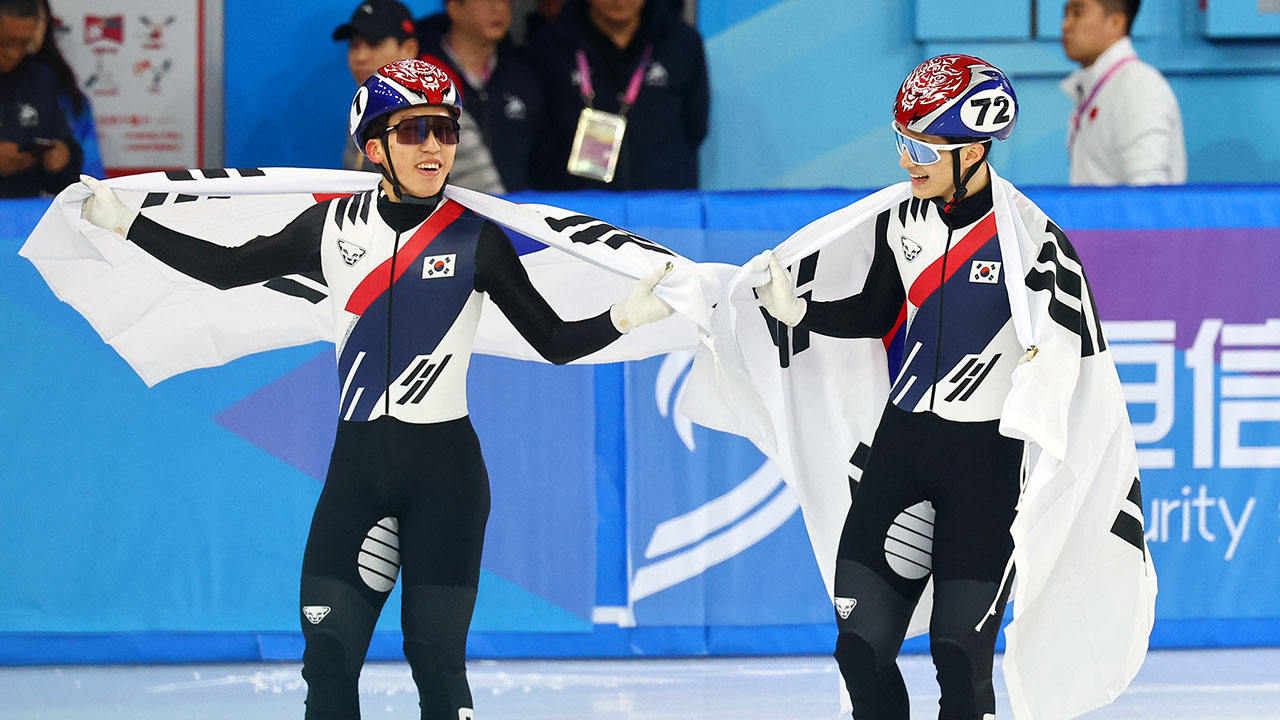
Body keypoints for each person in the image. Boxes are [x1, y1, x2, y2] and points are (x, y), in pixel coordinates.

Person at [79, 58, 675, 720]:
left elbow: (554, 343)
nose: (433, 147)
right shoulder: (330, 228)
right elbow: (226, 269)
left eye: (445, 132)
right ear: (373, 146)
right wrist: (126, 224)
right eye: (415, 130)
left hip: (446, 479)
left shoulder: (477, 239)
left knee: (435, 662)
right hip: (357, 474)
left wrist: (625, 318)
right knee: (328, 661)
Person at [754, 55, 1099, 719]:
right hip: (902, 450)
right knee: (859, 647)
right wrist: (801, 312)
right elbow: (875, 311)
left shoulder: (1029, 239)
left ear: (973, 150)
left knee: (960, 660)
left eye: (920, 147)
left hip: (986, 465)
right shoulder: (900, 219)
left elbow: (1075, 355)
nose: (906, 161)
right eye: (900, 142)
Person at [525, 0, 708, 190]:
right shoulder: (547, 47)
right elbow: (536, 138)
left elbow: (696, 127)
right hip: (574, 203)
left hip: (662, 203)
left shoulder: (682, 42)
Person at [335, 0, 504, 193]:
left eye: (374, 44)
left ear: (409, 50)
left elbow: (490, 204)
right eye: (355, 46)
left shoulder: (443, 117)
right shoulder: (361, 115)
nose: (361, 56)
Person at [416, 0, 544, 192]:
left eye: (507, 2)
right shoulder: (422, 76)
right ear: (454, 9)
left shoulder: (524, 77)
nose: (499, 9)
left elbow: (542, 159)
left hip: (515, 214)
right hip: (444, 213)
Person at [1060, 0, 1186, 185]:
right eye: (1066, 14)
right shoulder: (1094, 87)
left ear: (1116, 23)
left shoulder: (1139, 86)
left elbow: (1150, 191)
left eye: (1077, 14)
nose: (1065, 25)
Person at [0, 0, 80, 198]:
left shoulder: (40, 78)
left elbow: (64, 145)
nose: (14, 53)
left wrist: (63, 157)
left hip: (26, 213)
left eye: (24, 44)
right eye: (7, 43)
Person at [29, 0, 104, 178]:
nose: (25, 22)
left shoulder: (63, 90)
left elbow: (91, 175)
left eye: (34, 14)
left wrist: (65, 156)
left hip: (50, 201)